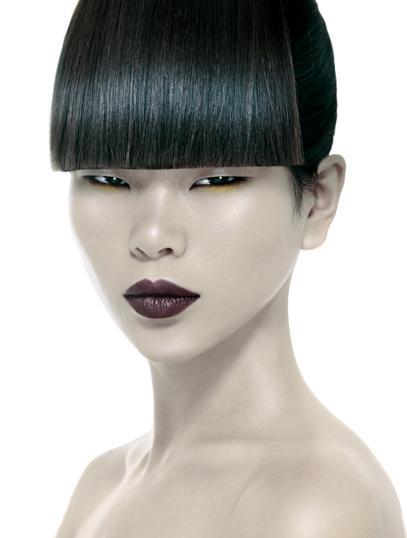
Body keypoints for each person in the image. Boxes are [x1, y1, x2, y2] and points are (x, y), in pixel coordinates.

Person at [50, 0, 406, 536]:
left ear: (318, 200)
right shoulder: (100, 484)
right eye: (108, 180)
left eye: (216, 181)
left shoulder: (312, 506)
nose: (152, 237)